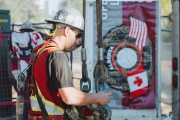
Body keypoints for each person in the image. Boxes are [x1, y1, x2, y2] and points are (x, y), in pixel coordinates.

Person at [28, 7, 112, 120]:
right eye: (78, 36)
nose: (78, 42)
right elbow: (69, 97)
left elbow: (54, 91)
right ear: (67, 30)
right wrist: (97, 97)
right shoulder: (57, 55)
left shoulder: (41, 51)